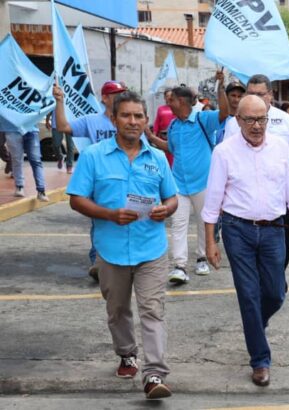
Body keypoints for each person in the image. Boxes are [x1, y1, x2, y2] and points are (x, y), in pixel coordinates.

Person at [66, 91, 178, 399]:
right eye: (126, 115)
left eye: (138, 116)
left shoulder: (156, 158)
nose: (133, 121)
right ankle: (127, 353)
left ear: (146, 120)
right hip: (111, 249)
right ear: (113, 119)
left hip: (151, 249)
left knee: (152, 310)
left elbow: (172, 197)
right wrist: (110, 214)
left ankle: (154, 373)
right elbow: (76, 199)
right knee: (117, 310)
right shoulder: (93, 156)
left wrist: (165, 210)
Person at [203, 95, 289, 388]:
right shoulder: (224, 152)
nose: (257, 125)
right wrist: (211, 242)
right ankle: (260, 360)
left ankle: (254, 325)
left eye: (261, 119)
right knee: (248, 294)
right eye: (249, 119)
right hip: (238, 231)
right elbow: (212, 203)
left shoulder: (280, 148)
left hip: (275, 229)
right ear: (238, 121)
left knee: (275, 293)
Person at [220, 74, 289, 270]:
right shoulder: (234, 123)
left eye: (260, 94)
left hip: (281, 196)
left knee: (283, 245)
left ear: (270, 95)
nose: (255, 97)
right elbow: (224, 161)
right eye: (251, 93)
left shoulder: (286, 120)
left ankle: (275, 279)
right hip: (246, 198)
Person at [146, 75, 228, 284]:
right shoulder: (173, 125)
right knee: (178, 223)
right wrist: (149, 135)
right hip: (178, 185)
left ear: (181, 101)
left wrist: (221, 86)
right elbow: (169, 148)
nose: (168, 102)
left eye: (171, 99)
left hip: (203, 183)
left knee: (204, 222)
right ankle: (180, 266)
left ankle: (202, 258)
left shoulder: (203, 118)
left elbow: (226, 113)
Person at [53, 80, 130, 282]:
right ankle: (98, 261)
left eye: (123, 93)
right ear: (104, 98)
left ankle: (119, 259)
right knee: (101, 219)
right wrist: (59, 101)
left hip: (125, 178)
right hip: (101, 180)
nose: (121, 97)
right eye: (116, 93)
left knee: (125, 218)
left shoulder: (128, 121)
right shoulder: (91, 120)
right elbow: (63, 126)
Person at [5, 129, 48, 201]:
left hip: (31, 129)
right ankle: (19, 186)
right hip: (12, 129)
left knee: (36, 160)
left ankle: (41, 190)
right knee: (16, 160)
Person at [153, 89, 176, 166]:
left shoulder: (176, 108)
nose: (169, 97)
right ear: (164, 97)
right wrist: (154, 135)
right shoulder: (161, 109)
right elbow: (157, 122)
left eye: (170, 96)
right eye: (167, 96)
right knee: (162, 157)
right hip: (162, 136)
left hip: (173, 136)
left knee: (172, 157)